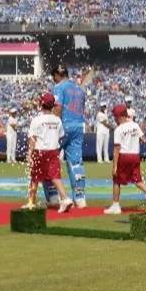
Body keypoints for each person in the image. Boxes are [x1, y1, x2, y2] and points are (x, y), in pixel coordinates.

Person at [23, 93, 74, 213]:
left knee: (34, 177)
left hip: (39, 151)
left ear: (41, 105)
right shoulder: (57, 120)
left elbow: (32, 138)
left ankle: (31, 201)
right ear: (52, 106)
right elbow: (61, 136)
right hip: (53, 151)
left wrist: (30, 154)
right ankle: (65, 198)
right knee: (55, 176)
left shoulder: (36, 120)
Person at [47, 65, 88, 208]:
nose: (53, 79)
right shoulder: (79, 88)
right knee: (76, 163)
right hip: (78, 126)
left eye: (54, 76)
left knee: (49, 158)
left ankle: (53, 196)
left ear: (58, 75)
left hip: (64, 126)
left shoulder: (59, 87)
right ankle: (80, 198)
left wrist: (49, 123)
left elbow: (57, 107)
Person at [106, 103, 146, 215]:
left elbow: (117, 148)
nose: (115, 119)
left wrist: (114, 166)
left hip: (124, 156)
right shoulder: (135, 125)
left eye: (115, 117)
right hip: (135, 155)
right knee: (138, 180)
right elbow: (144, 139)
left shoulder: (119, 129)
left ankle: (116, 205)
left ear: (120, 116)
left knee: (116, 179)